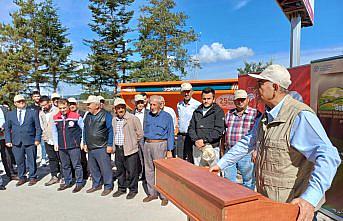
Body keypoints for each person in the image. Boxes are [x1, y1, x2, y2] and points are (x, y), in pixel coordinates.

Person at [210, 64, 341, 221]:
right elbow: (246, 143)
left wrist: (309, 200)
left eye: (260, 84)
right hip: (271, 207)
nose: (256, 90)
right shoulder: (265, 117)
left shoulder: (299, 116)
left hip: (292, 211)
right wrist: (220, 165)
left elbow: (329, 156)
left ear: (275, 86)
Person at [222, 89, 258, 190]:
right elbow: (224, 133)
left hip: (247, 153)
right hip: (230, 152)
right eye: (238, 100)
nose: (240, 102)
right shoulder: (229, 114)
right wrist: (223, 151)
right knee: (228, 182)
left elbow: (260, 135)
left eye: (242, 99)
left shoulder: (255, 114)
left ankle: (247, 204)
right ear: (234, 101)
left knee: (248, 182)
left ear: (247, 100)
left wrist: (256, 150)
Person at [142, 95, 174, 206]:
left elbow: (170, 134)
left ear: (161, 105)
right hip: (147, 144)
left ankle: (164, 195)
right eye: (150, 104)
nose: (151, 107)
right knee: (149, 169)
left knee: (161, 171)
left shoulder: (167, 116)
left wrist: (170, 150)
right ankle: (152, 193)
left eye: (154, 104)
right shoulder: (147, 115)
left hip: (160, 144)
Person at [4, 95, 42, 186]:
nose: (21, 102)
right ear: (15, 103)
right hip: (16, 141)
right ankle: (22, 177)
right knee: (19, 160)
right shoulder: (10, 114)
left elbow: (38, 127)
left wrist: (37, 139)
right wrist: (8, 140)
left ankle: (33, 177)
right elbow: (7, 128)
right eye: (19, 101)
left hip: (30, 140)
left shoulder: (32, 113)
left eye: (22, 100)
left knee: (31, 160)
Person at [111, 98, 143, 200]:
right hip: (118, 147)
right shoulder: (114, 120)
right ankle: (121, 188)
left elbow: (140, 134)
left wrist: (133, 142)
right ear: (115, 109)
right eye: (118, 108)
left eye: (122, 107)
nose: (120, 109)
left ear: (125, 107)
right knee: (120, 170)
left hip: (130, 148)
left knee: (132, 171)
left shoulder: (133, 118)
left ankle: (133, 190)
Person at [83, 95, 114, 196]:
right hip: (91, 146)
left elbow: (110, 130)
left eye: (89, 104)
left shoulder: (106, 115)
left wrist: (110, 145)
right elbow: (85, 130)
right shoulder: (88, 115)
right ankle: (96, 184)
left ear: (96, 105)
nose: (87, 106)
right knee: (93, 168)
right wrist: (85, 143)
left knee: (105, 168)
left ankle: (108, 186)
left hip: (102, 146)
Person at [52, 99, 84, 193]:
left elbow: (83, 129)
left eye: (64, 108)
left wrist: (82, 141)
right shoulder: (56, 117)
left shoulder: (76, 116)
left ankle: (79, 183)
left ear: (68, 106)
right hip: (62, 146)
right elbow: (54, 131)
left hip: (74, 145)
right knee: (65, 165)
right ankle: (67, 181)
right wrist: (56, 143)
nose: (62, 110)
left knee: (76, 165)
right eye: (60, 108)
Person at [188, 87, 225, 167]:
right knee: (198, 173)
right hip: (197, 147)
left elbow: (219, 130)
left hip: (212, 147)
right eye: (204, 98)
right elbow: (191, 128)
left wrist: (204, 140)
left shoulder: (218, 111)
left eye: (209, 98)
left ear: (213, 99)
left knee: (214, 173)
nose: (206, 101)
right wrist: (196, 140)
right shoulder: (197, 111)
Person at [39, 95, 61, 186]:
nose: (44, 107)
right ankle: (54, 176)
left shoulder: (57, 110)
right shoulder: (41, 113)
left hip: (57, 139)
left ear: (49, 103)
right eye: (42, 105)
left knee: (62, 158)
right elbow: (42, 125)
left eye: (45, 105)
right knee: (52, 158)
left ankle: (64, 176)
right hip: (47, 139)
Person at [176, 82, 201, 162]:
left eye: (188, 91)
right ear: (181, 93)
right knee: (180, 159)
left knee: (192, 159)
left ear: (192, 92)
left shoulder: (197, 105)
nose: (186, 94)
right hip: (181, 136)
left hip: (192, 136)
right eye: (184, 92)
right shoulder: (179, 104)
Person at [132, 94, 149, 194]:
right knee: (137, 158)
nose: (140, 105)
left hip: (145, 138)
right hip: (135, 138)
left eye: (141, 102)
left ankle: (146, 176)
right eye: (138, 103)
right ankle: (140, 174)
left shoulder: (148, 113)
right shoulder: (132, 113)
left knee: (145, 158)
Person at [68, 97, 88, 180]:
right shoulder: (67, 115)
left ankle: (84, 174)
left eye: (73, 104)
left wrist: (84, 141)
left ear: (76, 104)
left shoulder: (82, 114)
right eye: (70, 104)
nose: (72, 106)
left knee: (82, 157)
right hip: (71, 140)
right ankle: (73, 174)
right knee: (72, 159)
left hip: (80, 139)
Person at [0, 103, 18, 181]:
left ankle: (10, 173)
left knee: (7, 156)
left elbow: (8, 120)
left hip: (3, 136)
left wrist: (2, 128)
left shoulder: (4, 108)